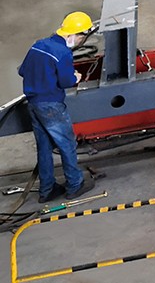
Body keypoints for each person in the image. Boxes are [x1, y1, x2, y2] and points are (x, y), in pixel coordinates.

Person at [19, 11, 96, 202]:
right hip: (51, 106)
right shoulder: (63, 53)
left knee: (44, 147)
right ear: (75, 35)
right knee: (67, 144)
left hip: (33, 104)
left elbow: (23, 70)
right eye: (82, 38)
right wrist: (75, 77)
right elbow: (65, 81)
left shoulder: (39, 45)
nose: (81, 42)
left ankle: (47, 189)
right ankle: (75, 184)